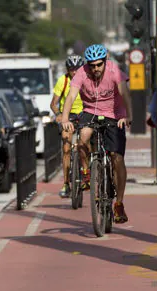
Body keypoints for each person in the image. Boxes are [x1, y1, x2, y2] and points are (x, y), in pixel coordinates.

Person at [61, 44, 133, 224]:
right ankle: (87, 172)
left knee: (117, 157)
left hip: (114, 114)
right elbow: (71, 96)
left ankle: (119, 203)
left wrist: (127, 116)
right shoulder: (81, 73)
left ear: (105, 62)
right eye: (92, 65)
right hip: (90, 112)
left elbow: (124, 93)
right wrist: (64, 119)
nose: (95, 69)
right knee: (82, 138)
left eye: (99, 64)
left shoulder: (113, 70)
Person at [50, 54, 85, 198]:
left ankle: (86, 174)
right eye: (72, 69)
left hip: (84, 114)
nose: (75, 72)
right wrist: (58, 114)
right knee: (66, 147)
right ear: (68, 69)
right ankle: (66, 183)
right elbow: (53, 104)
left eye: (77, 69)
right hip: (67, 116)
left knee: (86, 144)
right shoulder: (63, 81)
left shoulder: (86, 80)